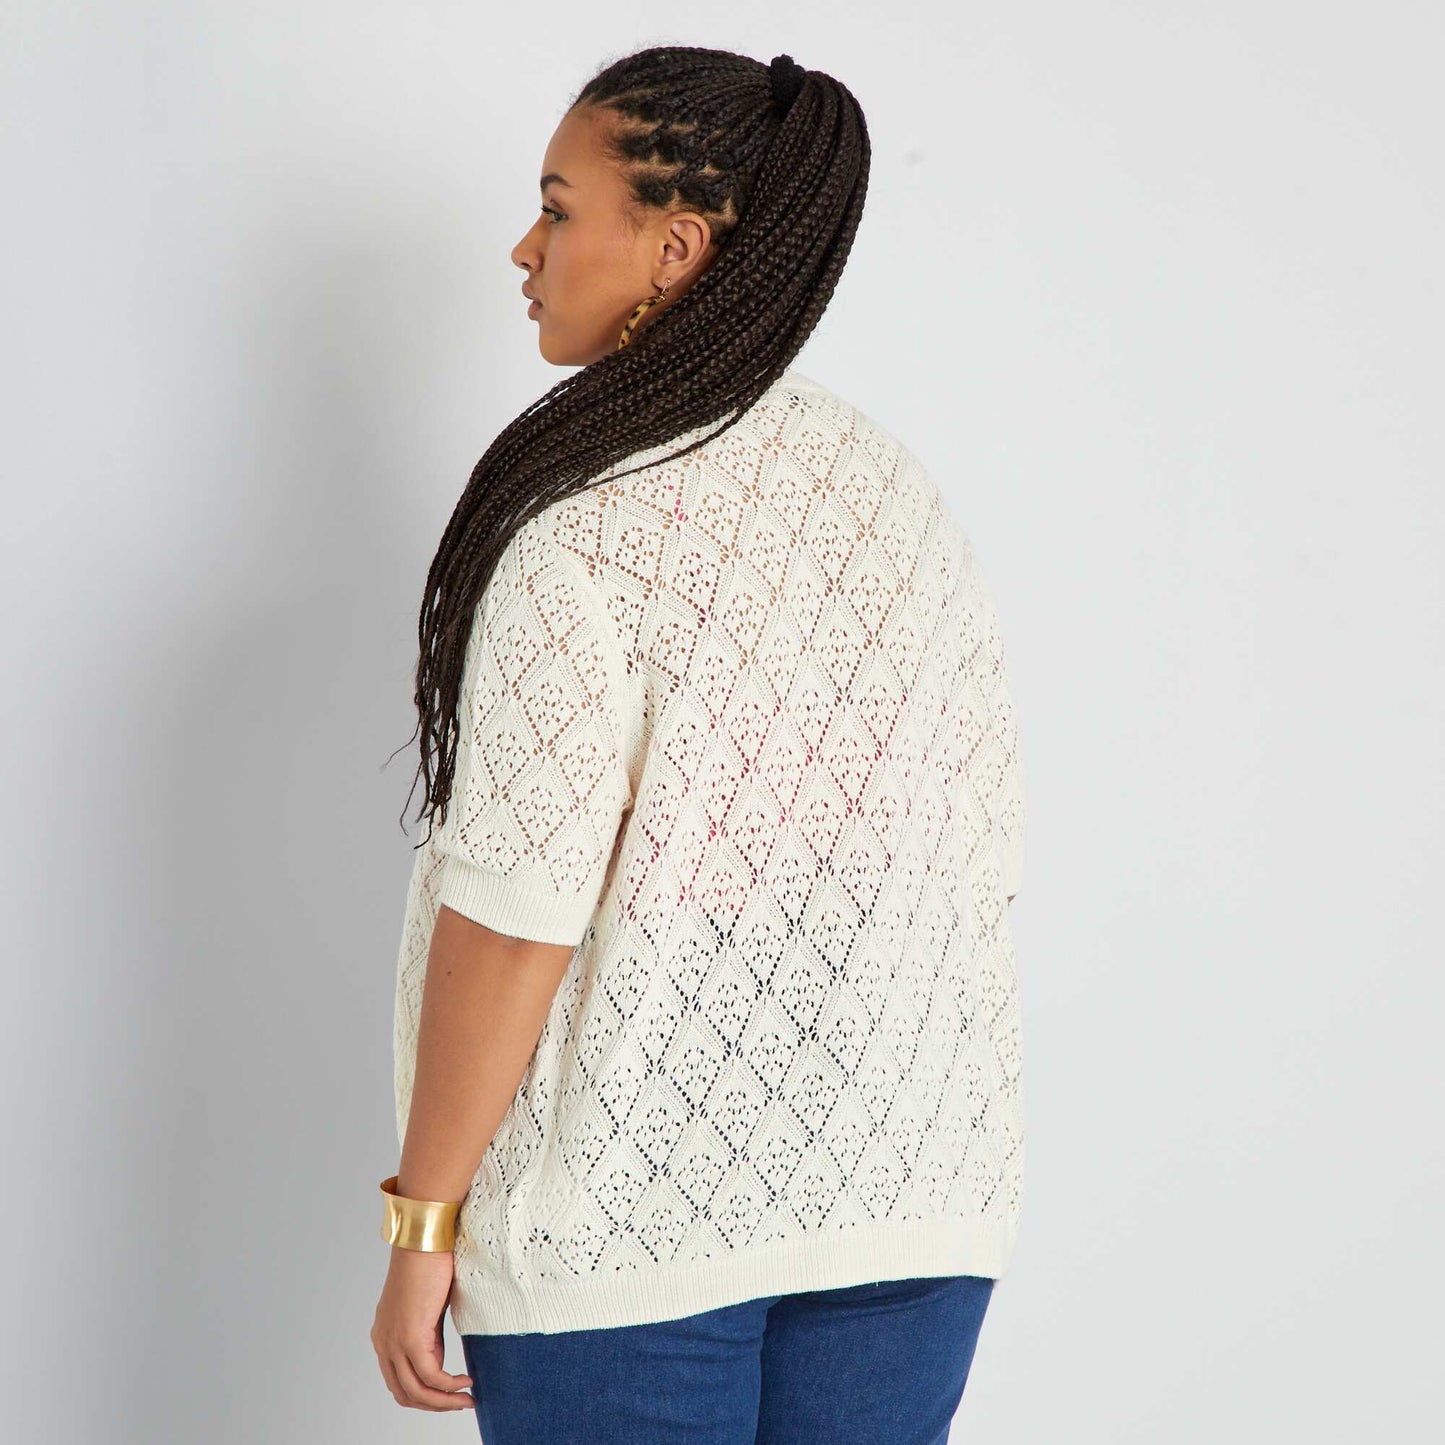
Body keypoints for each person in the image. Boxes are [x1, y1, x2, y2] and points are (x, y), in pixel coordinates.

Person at [371, 44, 1026, 1445]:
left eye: (559, 209)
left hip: (626, 1242)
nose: (525, 248)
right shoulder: (894, 493)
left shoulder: (581, 535)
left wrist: (423, 1219)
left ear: (672, 249)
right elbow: (967, 854)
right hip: (914, 1206)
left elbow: (515, 920)